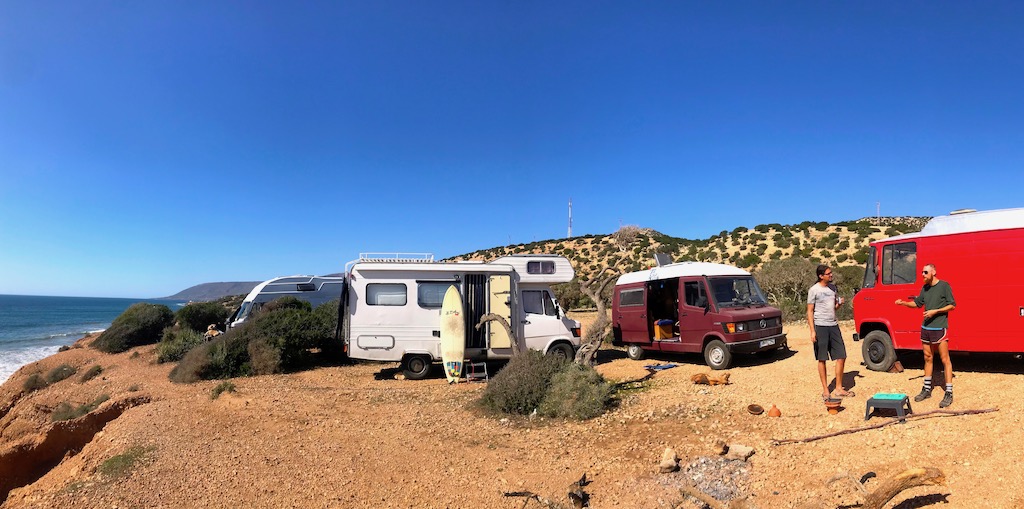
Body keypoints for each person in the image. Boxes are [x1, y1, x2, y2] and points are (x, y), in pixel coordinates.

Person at [895, 264, 956, 408]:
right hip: (926, 327)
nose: (923, 274)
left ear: (934, 272)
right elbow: (917, 304)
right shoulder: (925, 288)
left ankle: (948, 392)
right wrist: (903, 303)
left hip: (940, 327)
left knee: (945, 359)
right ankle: (927, 389)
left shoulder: (944, 286)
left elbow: (952, 305)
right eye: (922, 272)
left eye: (925, 272)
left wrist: (935, 311)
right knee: (927, 358)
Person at [807, 264, 851, 400]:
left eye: (831, 273)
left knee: (841, 355)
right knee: (822, 358)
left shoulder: (833, 288)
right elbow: (809, 311)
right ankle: (826, 390)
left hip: (833, 325)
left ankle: (838, 388)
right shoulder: (814, 290)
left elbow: (834, 308)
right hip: (820, 326)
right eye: (828, 273)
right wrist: (812, 331)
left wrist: (839, 304)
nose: (831, 275)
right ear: (821, 276)